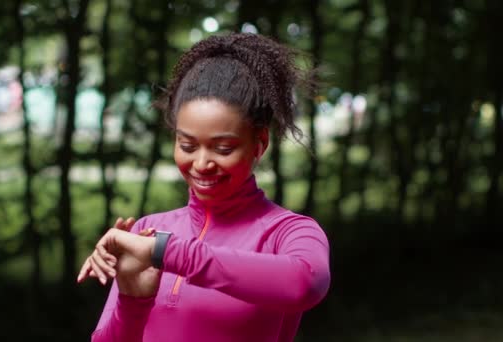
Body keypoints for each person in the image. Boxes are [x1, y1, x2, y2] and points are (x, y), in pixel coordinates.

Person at [77, 32, 330, 342]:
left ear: (259, 144)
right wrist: (133, 301)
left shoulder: (288, 232)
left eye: (222, 148)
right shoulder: (147, 230)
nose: (201, 163)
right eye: (187, 145)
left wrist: (166, 252)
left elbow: (305, 282)